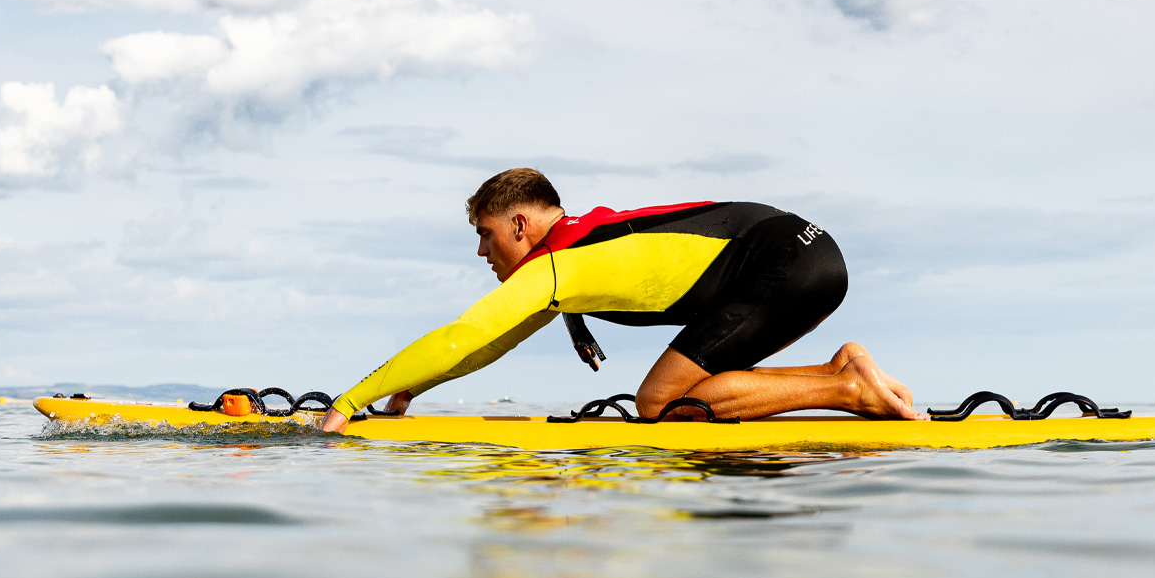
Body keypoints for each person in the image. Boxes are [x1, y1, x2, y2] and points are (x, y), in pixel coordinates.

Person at [316, 168, 919, 432]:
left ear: (521, 226)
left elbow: (462, 334)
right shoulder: (578, 244)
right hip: (800, 251)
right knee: (691, 388)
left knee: (657, 402)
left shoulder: (555, 266)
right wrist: (413, 389)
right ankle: (841, 373)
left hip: (784, 263)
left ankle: (847, 389)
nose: (482, 253)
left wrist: (350, 401)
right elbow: (490, 344)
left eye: (485, 234)